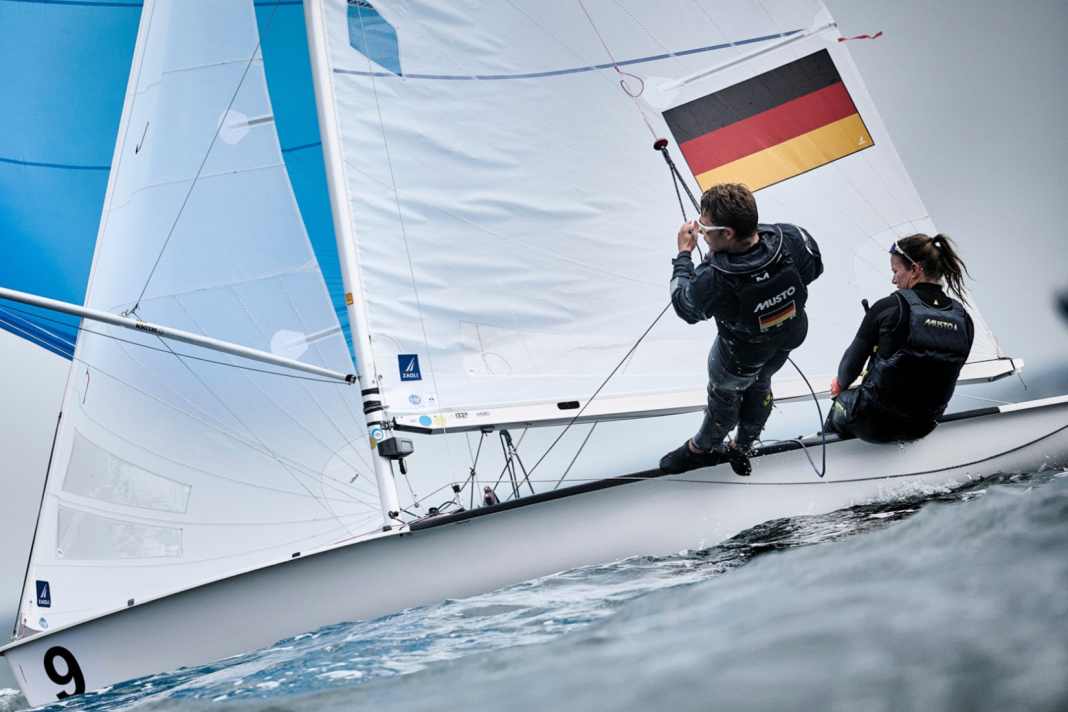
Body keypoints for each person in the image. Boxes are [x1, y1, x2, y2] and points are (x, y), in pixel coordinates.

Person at [660, 183, 823, 475]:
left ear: (728, 233)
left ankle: (702, 448)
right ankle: (743, 446)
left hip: (739, 357)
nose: (701, 232)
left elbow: (685, 308)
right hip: (789, 336)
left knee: (725, 395)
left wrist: (684, 254)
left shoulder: (713, 278)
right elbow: (815, 268)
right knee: (761, 382)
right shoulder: (791, 236)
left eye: (705, 228)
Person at [825, 233, 974, 443]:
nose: (893, 279)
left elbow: (850, 366)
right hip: (924, 425)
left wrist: (840, 384)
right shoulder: (963, 319)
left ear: (915, 269)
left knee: (841, 402)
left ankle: (829, 463)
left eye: (896, 271)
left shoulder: (889, 308)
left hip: (873, 423)